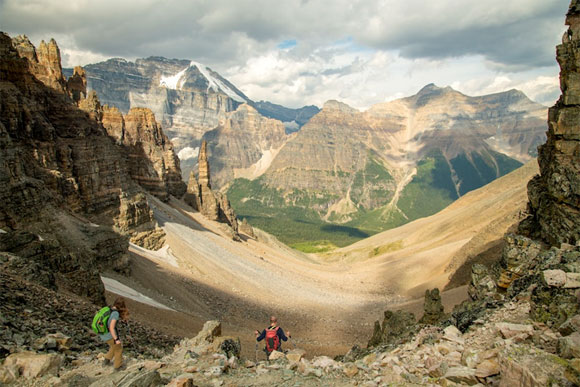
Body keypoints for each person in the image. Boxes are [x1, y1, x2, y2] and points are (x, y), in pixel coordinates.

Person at [100, 297, 129, 370]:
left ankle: (106, 360)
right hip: (108, 334)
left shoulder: (110, 309)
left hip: (103, 333)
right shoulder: (115, 313)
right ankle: (118, 366)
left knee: (114, 346)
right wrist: (116, 339)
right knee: (118, 348)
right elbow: (111, 327)